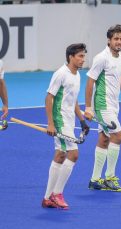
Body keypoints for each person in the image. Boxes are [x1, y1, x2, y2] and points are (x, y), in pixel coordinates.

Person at [85, 24, 121, 191]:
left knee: (104, 139)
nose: (119, 42)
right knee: (118, 136)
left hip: (114, 105)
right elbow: (90, 81)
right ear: (109, 40)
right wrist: (88, 107)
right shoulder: (101, 58)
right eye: (116, 39)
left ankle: (94, 180)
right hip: (102, 106)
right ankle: (109, 177)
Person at [42, 43, 89, 209]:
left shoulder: (77, 75)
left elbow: (73, 99)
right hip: (60, 120)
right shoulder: (61, 74)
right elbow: (49, 98)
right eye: (80, 56)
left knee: (61, 155)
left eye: (84, 56)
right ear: (71, 57)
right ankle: (57, 194)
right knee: (73, 154)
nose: (83, 59)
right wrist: (50, 123)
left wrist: (82, 120)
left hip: (70, 120)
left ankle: (47, 198)